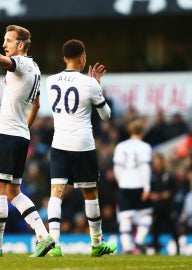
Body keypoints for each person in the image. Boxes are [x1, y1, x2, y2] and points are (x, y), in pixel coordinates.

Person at [0, 25, 55, 257]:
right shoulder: (35, 69)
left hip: (7, 136)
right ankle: (44, 237)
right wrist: (24, 127)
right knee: (14, 191)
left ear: (21, 45)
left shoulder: (22, 64)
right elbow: (36, 105)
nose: (4, 45)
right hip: (19, 135)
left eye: (8, 41)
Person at [46, 39, 117, 257]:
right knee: (90, 194)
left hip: (59, 144)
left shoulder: (50, 80)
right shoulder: (90, 84)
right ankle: (96, 244)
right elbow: (106, 116)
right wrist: (97, 86)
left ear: (63, 57)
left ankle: (54, 245)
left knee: (56, 194)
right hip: (83, 145)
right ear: (82, 57)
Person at [113, 119, 153, 254]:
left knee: (125, 217)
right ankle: (139, 240)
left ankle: (127, 247)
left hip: (125, 185)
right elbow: (145, 168)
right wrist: (147, 187)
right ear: (142, 132)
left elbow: (116, 168)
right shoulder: (145, 147)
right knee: (147, 215)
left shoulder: (121, 146)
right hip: (140, 185)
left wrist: (121, 182)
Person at [149, 152, 180, 254]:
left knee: (173, 228)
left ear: (162, 162)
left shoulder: (168, 175)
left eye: (158, 161)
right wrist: (151, 195)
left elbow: (173, 190)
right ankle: (156, 249)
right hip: (156, 208)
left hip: (167, 207)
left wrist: (165, 194)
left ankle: (178, 248)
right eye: (155, 162)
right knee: (156, 229)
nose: (156, 164)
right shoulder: (151, 176)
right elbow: (147, 191)